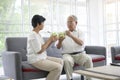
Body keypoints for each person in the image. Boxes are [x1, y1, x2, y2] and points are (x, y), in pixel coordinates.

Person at [27, 14, 63, 80]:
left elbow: (44, 47)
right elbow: (39, 51)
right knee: (58, 67)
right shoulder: (33, 35)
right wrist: (49, 39)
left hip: (42, 57)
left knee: (60, 61)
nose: (44, 24)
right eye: (43, 23)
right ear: (38, 24)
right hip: (36, 59)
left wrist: (52, 41)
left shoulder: (38, 34)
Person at [57, 15, 93, 80]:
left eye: (71, 22)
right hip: (67, 54)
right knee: (66, 60)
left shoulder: (80, 32)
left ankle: (89, 79)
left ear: (76, 23)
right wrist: (60, 41)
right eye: (68, 22)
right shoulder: (62, 33)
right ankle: (70, 79)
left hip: (80, 54)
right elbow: (58, 47)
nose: (69, 24)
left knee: (88, 59)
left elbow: (81, 43)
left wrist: (71, 35)